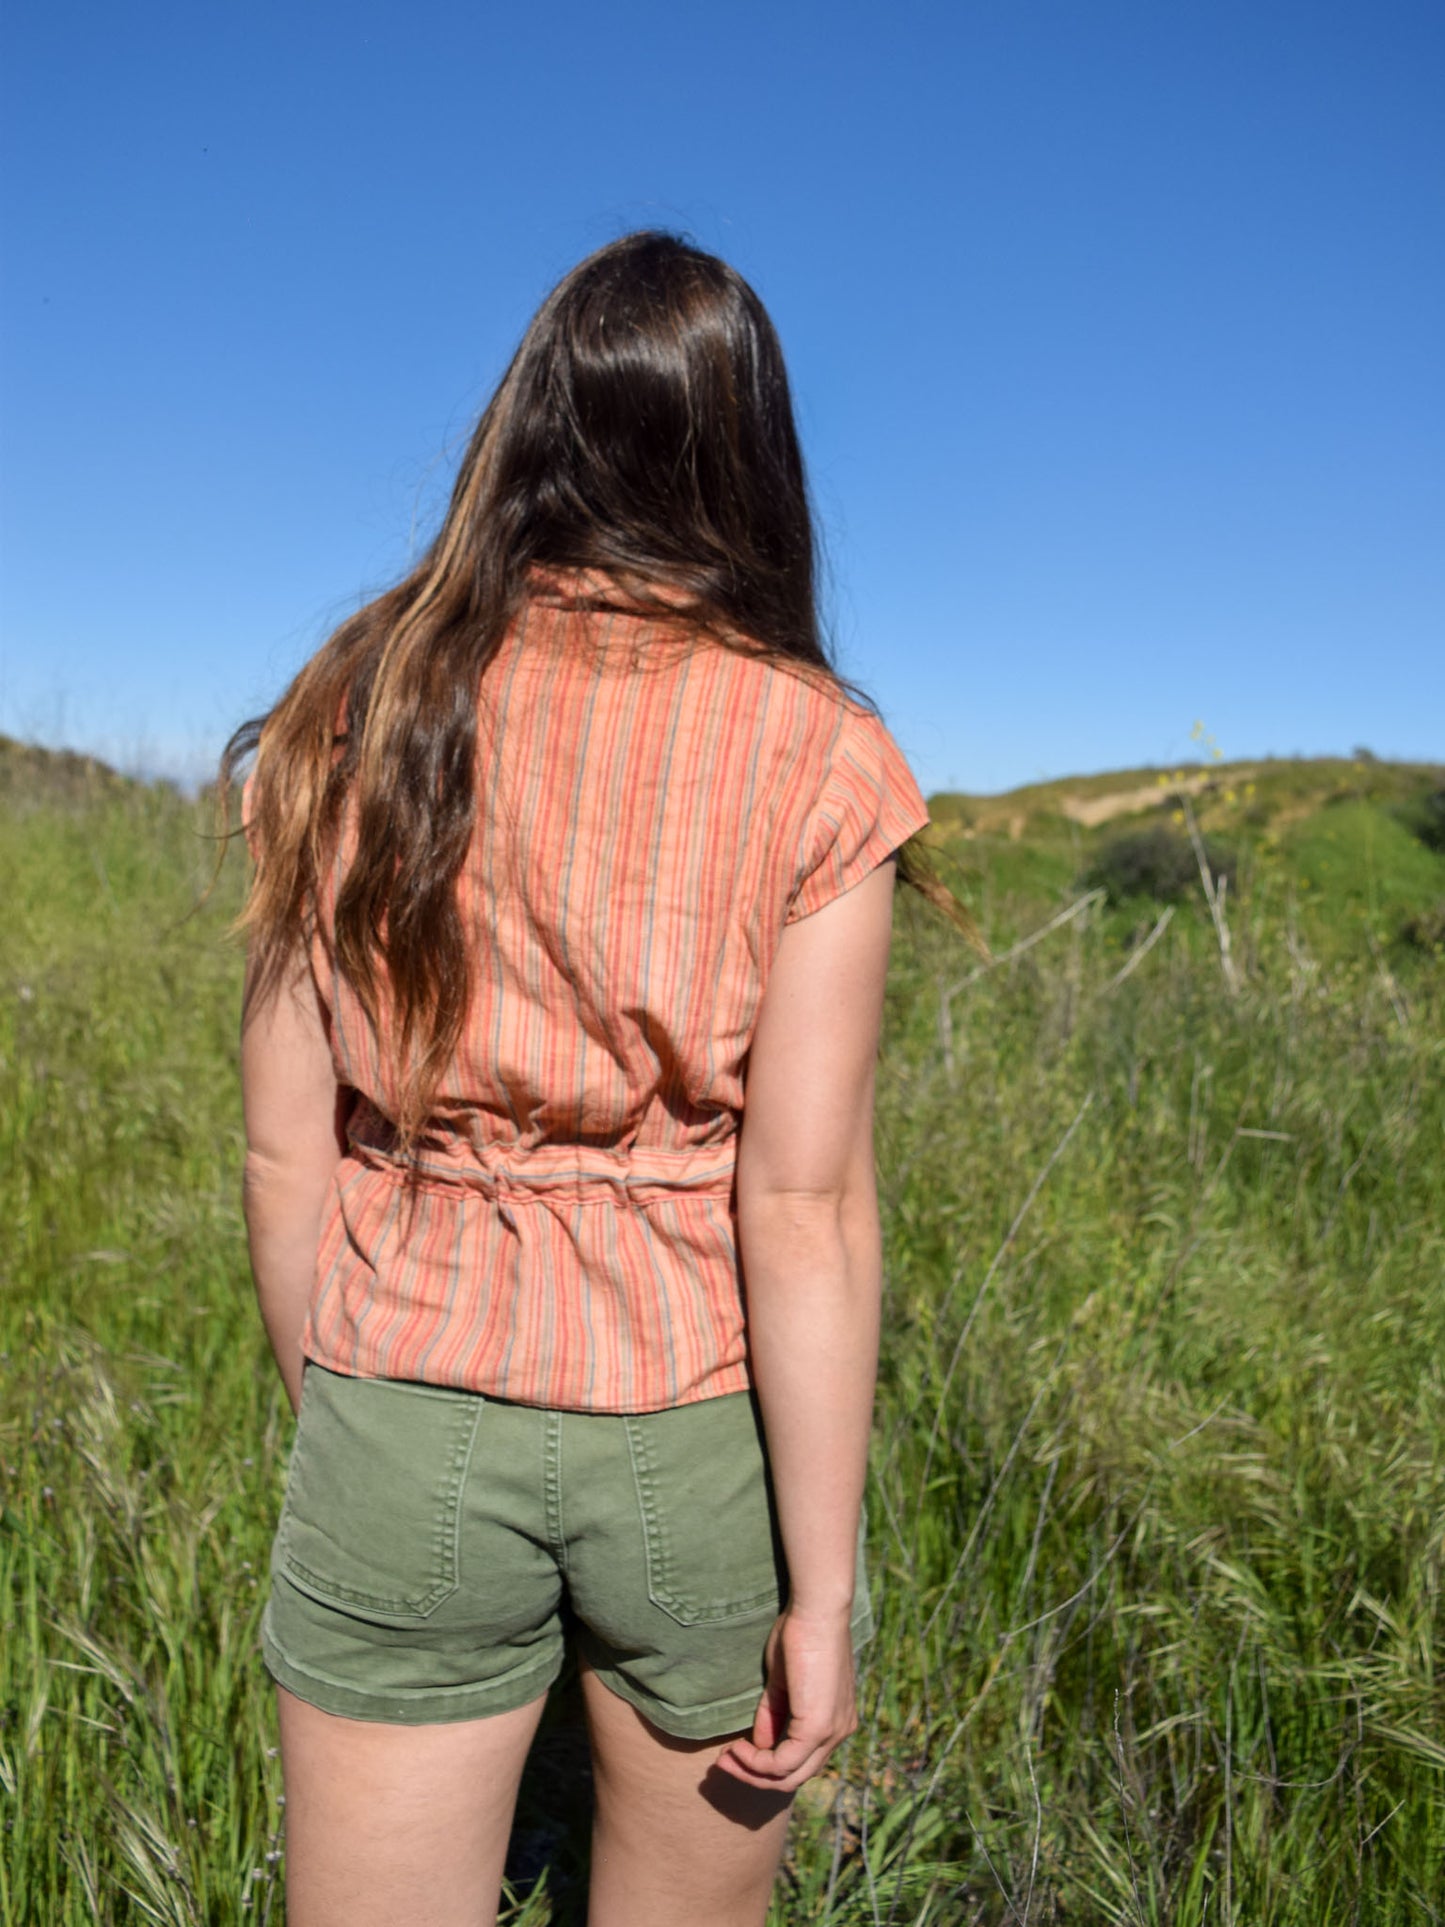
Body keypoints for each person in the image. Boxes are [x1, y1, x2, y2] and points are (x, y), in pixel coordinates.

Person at [223, 231, 971, 1927]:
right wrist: (823, 1592)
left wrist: (352, 1411)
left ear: (528, 432)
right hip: (688, 1430)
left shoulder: (353, 711)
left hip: (398, 1393)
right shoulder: (818, 755)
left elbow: (289, 1158)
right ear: (750, 458)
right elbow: (800, 1203)